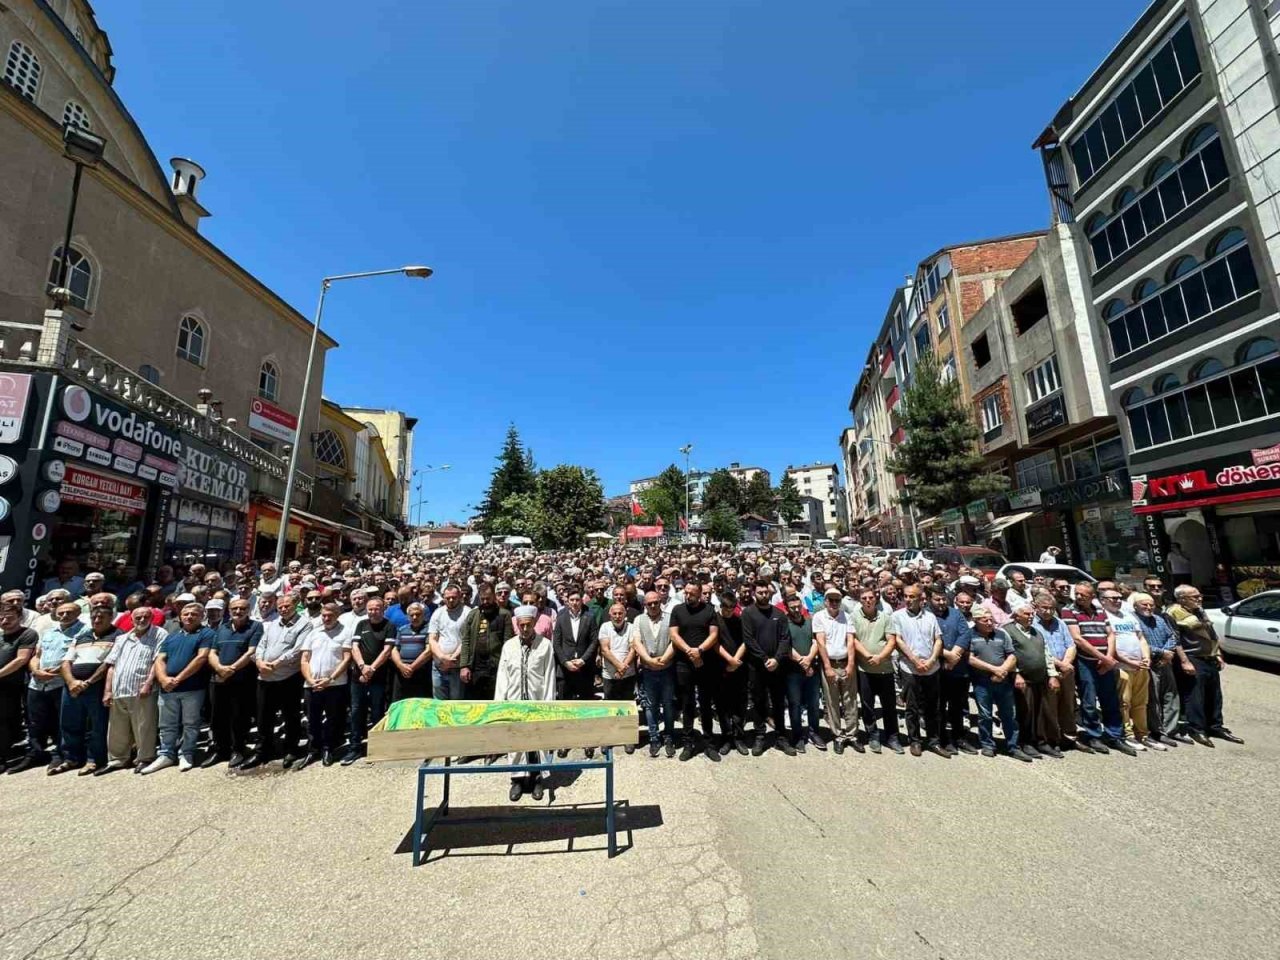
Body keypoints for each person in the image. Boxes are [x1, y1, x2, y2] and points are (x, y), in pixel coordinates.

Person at [1061, 583, 1137, 756]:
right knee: (1088, 700)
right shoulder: (1069, 610)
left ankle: (1114, 735)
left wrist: (1109, 658)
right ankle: (1093, 734)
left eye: (1084, 594)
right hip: (1085, 661)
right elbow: (1078, 639)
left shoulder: (1100, 610)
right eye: (1077, 594)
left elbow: (1110, 634)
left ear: (1092, 595)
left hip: (1106, 662)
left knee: (1110, 699)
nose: (1079, 597)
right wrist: (1103, 658)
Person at [1166, 584, 1243, 746]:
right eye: (1194, 596)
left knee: (1214, 695)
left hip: (1209, 657)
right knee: (1195, 696)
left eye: (1199, 595)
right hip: (1192, 657)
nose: (1199, 598)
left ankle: (1215, 726)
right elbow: (1174, 639)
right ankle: (1197, 729)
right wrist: (1184, 661)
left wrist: (1218, 653)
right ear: (1182, 599)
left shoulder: (1198, 610)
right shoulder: (1174, 612)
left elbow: (1210, 633)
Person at [242, 592, 312, 770]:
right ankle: (263, 751)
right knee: (263, 717)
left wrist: (275, 664)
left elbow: (298, 650)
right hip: (265, 677)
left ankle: (291, 749)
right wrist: (259, 662)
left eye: (287, 606)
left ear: (295, 605)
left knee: (291, 716)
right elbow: (262, 645)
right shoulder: (272, 624)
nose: (283, 609)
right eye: (280, 606)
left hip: (288, 677)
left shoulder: (304, 625)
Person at [10, 601, 82, 773]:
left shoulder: (83, 632)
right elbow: (36, 655)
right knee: (35, 722)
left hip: (59, 683)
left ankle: (60, 755)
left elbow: (77, 657)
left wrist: (56, 671)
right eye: (61, 612)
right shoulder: (49, 632)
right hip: (37, 684)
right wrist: (35, 669)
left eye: (69, 612)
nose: (64, 615)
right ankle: (36, 753)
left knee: (60, 721)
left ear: (78, 613)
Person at [496, 605, 558, 802]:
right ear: (517, 625)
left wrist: (548, 705)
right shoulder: (509, 646)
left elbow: (549, 677)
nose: (525, 629)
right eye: (521, 625)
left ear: (534, 624)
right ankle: (517, 780)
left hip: (537, 701)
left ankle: (538, 779)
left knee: (538, 742)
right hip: (514, 701)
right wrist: (501, 703)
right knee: (515, 741)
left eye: (528, 625)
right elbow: (503, 676)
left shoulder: (545, 645)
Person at [143, 602, 212, 773]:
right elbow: (160, 659)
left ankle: (186, 753)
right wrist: (164, 679)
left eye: (194, 614)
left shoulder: (206, 633)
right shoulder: (171, 636)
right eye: (186, 613)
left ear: (202, 616)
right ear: (180, 616)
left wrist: (178, 679)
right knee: (166, 724)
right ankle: (166, 754)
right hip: (167, 688)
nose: (189, 616)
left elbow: (201, 657)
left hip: (192, 688)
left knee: (190, 723)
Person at [101, 606, 164, 774]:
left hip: (141, 689)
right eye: (138, 618)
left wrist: (148, 683)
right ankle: (117, 759)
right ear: (132, 619)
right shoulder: (122, 638)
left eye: (145, 617)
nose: (142, 620)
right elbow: (112, 665)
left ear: (151, 618)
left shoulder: (159, 634)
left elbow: (157, 661)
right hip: (119, 688)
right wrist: (108, 690)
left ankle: (144, 758)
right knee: (116, 728)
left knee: (144, 726)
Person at [669, 580, 728, 761]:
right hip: (684, 663)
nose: (688, 596)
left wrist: (699, 650)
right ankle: (688, 743)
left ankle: (709, 743)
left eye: (692, 594)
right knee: (687, 704)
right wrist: (689, 650)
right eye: (686, 593)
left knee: (705, 703)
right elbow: (673, 634)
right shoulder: (677, 610)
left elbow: (713, 634)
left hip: (705, 662)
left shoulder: (709, 610)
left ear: (700, 593)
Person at [966, 608, 1031, 761]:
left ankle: (1013, 746)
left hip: (1003, 680)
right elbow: (970, 659)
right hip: (982, 682)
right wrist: (994, 670)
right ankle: (988, 745)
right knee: (985, 715)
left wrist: (1002, 671)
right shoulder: (970, 635)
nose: (990, 623)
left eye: (991, 619)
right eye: (985, 620)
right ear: (976, 621)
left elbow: (1012, 656)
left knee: (1009, 715)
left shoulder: (1002, 634)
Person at [889, 586, 946, 758]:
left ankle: (934, 740)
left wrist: (931, 660)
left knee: (932, 707)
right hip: (910, 668)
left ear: (921, 598)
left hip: (931, 667)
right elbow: (898, 640)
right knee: (912, 707)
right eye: (905, 596)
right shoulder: (897, 616)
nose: (908, 599)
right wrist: (915, 660)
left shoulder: (930, 617)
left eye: (912, 596)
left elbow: (938, 639)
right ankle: (914, 740)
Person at [205, 597, 261, 768]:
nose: (238, 611)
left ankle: (238, 749)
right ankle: (221, 750)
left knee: (239, 717)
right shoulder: (222, 628)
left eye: (242, 609)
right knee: (218, 717)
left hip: (242, 680)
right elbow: (212, 652)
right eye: (235, 608)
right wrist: (220, 668)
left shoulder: (256, 626)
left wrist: (231, 670)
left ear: (248, 610)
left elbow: (251, 652)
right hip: (219, 680)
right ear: (229, 610)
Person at [297, 601, 352, 769]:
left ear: (337, 616)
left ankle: (328, 748)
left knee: (332, 718)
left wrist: (331, 679)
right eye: (324, 616)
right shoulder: (313, 633)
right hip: (312, 684)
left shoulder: (345, 632)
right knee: (312, 718)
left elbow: (347, 658)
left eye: (330, 616)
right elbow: (305, 659)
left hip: (335, 684)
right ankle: (313, 749)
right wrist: (311, 680)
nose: (326, 618)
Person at [742, 581, 794, 757]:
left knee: (779, 702)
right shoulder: (748, 613)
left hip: (777, 667)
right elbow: (749, 639)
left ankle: (781, 737)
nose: (764, 595)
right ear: (754, 593)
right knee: (758, 702)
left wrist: (777, 659)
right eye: (760, 592)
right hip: (757, 666)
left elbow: (785, 639)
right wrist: (764, 659)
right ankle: (759, 735)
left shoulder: (779, 614)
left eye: (766, 592)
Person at [343, 596, 397, 765]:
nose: (373, 612)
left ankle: (377, 748)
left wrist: (372, 668)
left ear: (383, 609)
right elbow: (355, 647)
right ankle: (355, 747)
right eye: (371, 609)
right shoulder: (361, 625)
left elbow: (387, 651)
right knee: (357, 711)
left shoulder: (389, 626)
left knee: (377, 712)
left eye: (377, 609)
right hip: (358, 676)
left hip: (379, 676)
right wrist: (362, 666)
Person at [1101, 587, 1156, 751]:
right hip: (1121, 667)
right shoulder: (1104, 617)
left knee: (1141, 703)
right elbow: (1110, 643)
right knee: (1123, 702)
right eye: (1113, 598)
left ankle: (1143, 734)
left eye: (1119, 597)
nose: (1117, 600)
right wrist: (1128, 662)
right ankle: (1128, 734)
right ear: (1103, 600)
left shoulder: (1128, 615)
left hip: (1140, 666)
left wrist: (1146, 657)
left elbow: (1141, 638)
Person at [1005, 603, 1062, 758]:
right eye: (1026, 614)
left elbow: (1046, 654)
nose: (1031, 617)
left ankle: (1042, 742)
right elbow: (1007, 655)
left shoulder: (1036, 632)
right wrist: (1016, 674)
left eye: (1032, 614)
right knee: (1026, 712)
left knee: (1044, 712)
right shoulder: (1007, 631)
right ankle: (1026, 742)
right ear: (1016, 615)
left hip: (1041, 679)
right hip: (1023, 680)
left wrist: (1052, 675)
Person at [851, 586, 901, 754]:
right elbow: (854, 640)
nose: (868, 600)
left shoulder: (886, 617)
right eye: (864, 598)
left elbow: (891, 640)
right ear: (860, 600)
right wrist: (867, 655)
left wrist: (880, 657)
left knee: (889, 705)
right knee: (867, 705)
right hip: (864, 668)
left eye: (870, 597)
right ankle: (873, 735)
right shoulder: (854, 617)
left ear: (876, 599)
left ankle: (892, 736)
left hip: (884, 668)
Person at [1131, 591, 1184, 746]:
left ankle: (1171, 729)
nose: (1148, 607)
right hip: (1149, 663)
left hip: (1165, 662)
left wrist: (1167, 654)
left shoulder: (1159, 619)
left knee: (1171, 696)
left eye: (1151, 605)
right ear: (1135, 606)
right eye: (1144, 604)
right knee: (1153, 698)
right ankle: (1157, 731)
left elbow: (1172, 637)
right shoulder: (1133, 620)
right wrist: (1161, 653)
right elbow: (1138, 641)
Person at [813, 586, 860, 754]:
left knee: (850, 700)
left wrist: (851, 664)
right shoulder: (819, 617)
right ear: (825, 601)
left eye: (837, 600)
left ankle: (852, 733)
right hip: (830, 663)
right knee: (832, 701)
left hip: (846, 661)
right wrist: (827, 666)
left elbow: (850, 641)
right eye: (830, 600)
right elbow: (821, 642)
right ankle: (838, 735)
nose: (834, 603)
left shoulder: (847, 617)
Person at [632, 590, 676, 757]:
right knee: (650, 706)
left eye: (655, 602)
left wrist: (664, 659)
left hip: (667, 668)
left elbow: (674, 641)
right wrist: (649, 661)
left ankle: (669, 737)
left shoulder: (670, 618)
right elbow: (637, 642)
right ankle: (654, 738)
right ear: (645, 605)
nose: (652, 606)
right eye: (649, 603)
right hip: (648, 670)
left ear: (660, 602)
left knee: (668, 705)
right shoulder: (638, 620)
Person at [931, 587, 975, 755]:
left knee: (957, 706)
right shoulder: (927, 615)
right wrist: (947, 655)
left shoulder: (956, 614)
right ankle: (942, 739)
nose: (941, 603)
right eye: (937, 599)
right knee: (939, 706)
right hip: (938, 668)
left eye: (944, 599)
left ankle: (959, 738)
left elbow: (965, 635)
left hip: (958, 668)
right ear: (930, 600)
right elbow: (927, 639)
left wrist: (955, 654)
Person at [459, 583, 513, 700]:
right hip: (476, 667)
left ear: (494, 596)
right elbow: (466, 641)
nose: (485, 602)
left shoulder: (504, 615)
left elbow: (508, 643)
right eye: (482, 599)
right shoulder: (473, 615)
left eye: (488, 598)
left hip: (496, 666)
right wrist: (464, 666)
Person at [784, 594, 823, 752]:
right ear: (787, 608)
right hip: (793, 672)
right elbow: (786, 647)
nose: (796, 610)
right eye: (792, 607)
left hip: (811, 669)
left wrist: (809, 660)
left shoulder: (810, 622)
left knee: (814, 703)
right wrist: (803, 662)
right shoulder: (784, 624)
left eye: (798, 606)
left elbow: (816, 642)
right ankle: (797, 735)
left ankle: (814, 732)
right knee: (795, 704)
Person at [0, 605, 36, 772]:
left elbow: (21, 659)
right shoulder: (1, 636)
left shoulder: (27, 634)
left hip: (15, 686)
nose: (5, 621)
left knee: (7, 722)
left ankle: (9, 757)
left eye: (9, 617)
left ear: (19, 617)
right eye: (1, 618)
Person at [714, 589, 750, 756]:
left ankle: (738, 736)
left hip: (739, 667)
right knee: (723, 705)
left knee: (739, 704)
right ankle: (726, 736)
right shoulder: (715, 620)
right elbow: (715, 643)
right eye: (726, 609)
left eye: (732, 609)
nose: (729, 612)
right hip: (721, 667)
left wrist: (736, 660)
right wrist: (729, 660)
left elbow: (745, 642)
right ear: (721, 606)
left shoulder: (739, 620)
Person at [598, 602, 637, 753]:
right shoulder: (605, 627)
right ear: (610, 614)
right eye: (614, 613)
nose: (617, 616)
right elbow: (605, 650)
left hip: (628, 673)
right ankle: (608, 738)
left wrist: (623, 667)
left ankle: (627, 737)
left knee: (627, 705)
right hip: (609, 674)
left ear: (625, 614)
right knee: (610, 706)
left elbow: (633, 649)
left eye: (620, 613)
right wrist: (618, 666)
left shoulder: (631, 627)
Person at [428, 585, 470, 700]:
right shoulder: (438, 613)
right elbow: (432, 639)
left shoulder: (467, 613)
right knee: (439, 702)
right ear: (443, 598)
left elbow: (467, 639)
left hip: (457, 666)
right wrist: (442, 657)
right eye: (448, 598)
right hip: (438, 666)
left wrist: (452, 659)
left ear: (460, 597)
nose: (451, 600)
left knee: (455, 702)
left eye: (454, 597)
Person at [391, 602, 433, 701]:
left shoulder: (429, 630)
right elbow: (395, 650)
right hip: (401, 672)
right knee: (400, 702)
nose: (414, 617)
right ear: (407, 616)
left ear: (423, 615)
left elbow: (428, 651)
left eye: (418, 614)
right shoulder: (402, 630)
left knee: (420, 703)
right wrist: (400, 665)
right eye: (412, 615)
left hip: (421, 673)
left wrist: (412, 667)